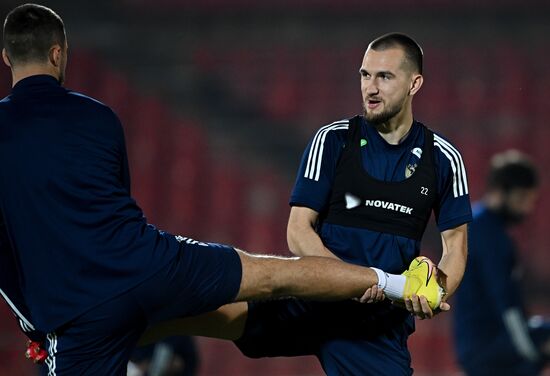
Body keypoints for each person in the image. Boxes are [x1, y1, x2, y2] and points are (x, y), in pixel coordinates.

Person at [0, 4, 441, 375]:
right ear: (59, 54)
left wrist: (36, 324)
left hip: (78, 307)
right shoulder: (99, 117)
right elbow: (116, 201)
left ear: (6, 57)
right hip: (143, 260)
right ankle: (398, 285)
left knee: (153, 321)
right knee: (271, 275)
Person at [145, 33, 472, 375]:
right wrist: (346, 281)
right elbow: (299, 230)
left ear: (414, 83)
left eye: (384, 76)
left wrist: (434, 294)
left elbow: (456, 247)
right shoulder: (332, 140)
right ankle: (112, 336)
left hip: (374, 328)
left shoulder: (443, 158)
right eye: (365, 75)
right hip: (311, 300)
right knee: (192, 313)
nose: (370, 88)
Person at [453, 150, 550, 375]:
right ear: (500, 192)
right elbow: (506, 304)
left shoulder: (475, 222)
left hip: (472, 345)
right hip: (490, 345)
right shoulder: (492, 237)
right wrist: (530, 349)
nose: (527, 208)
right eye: (522, 199)